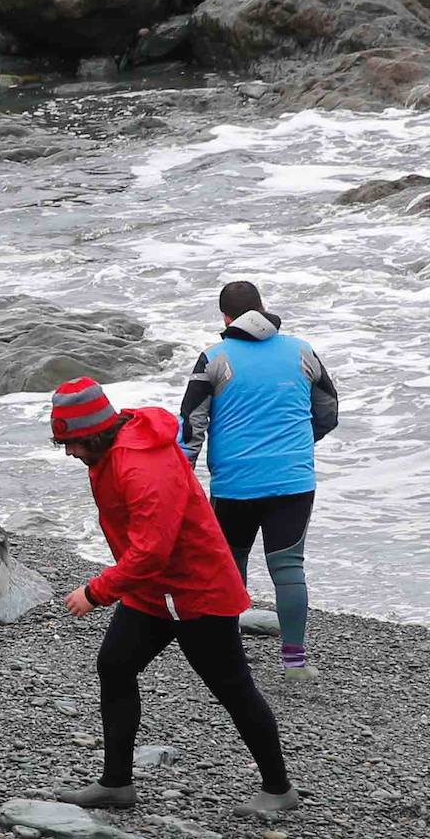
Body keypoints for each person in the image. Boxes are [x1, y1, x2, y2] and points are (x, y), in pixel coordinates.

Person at [52, 376, 299, 818]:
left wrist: (96, 591)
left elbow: (152, 549)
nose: (69, 452)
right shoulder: (108, 451)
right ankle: (116, 784)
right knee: (115, 664)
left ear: (94, 432)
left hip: (196, 590)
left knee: (233, 688)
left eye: (71, 442)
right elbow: (145, 553)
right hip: (154, 590)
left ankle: (278, 789)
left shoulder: (141, 465)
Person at [178, 281, 338, 680]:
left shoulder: (213, 359)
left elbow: (191, 428)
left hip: (235, 483)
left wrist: (183, 477)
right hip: (293, 479)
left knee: (231, 566)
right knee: (288, 567)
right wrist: (299, 444)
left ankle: (231, 658)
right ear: (264, 309)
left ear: (225, 318)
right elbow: (328, 411)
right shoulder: (303, 351)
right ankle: (295, 663)